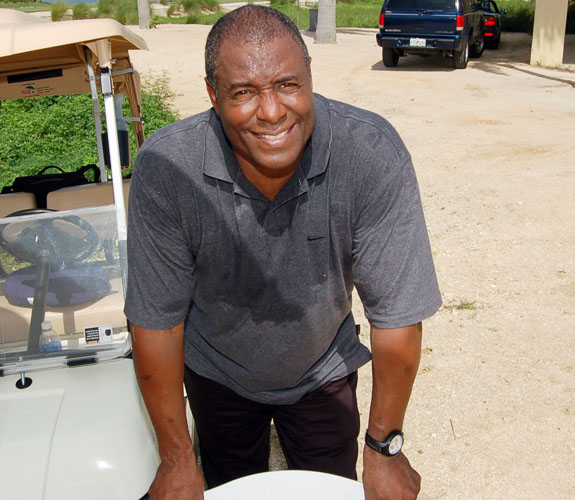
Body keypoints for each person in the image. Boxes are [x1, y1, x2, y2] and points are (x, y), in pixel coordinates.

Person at [125, 5, 441, 500]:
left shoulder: (371, 152)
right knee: (232, 484)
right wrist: (177, 459)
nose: (272, 112)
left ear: (311, 77)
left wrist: (384, 448)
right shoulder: (167, 169)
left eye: (288, 84)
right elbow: (156, 324)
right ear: (212, 94)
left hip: (324, 370)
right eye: (244, 92)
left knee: (330, 486)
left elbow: (396, 319)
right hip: (218, 374)